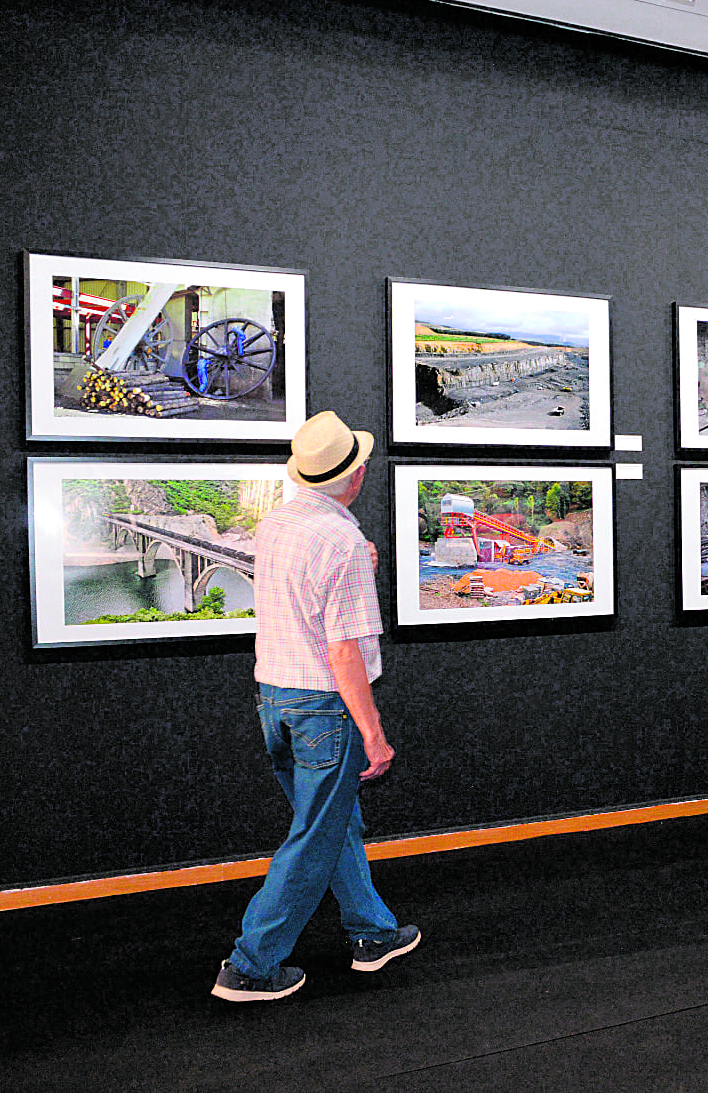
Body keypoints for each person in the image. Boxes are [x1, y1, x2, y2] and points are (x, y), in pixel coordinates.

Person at [212, 411, 419, 1002]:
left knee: (333, 823)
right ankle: (250, 966)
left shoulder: (276, 524)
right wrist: (373, 735)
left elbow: (302, 599)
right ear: (353, 476)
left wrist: (360, 569)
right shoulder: (344, 541)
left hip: (274, 700)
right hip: (324, 708)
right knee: (312, 837)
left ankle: (372, 932)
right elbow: (344, 649)